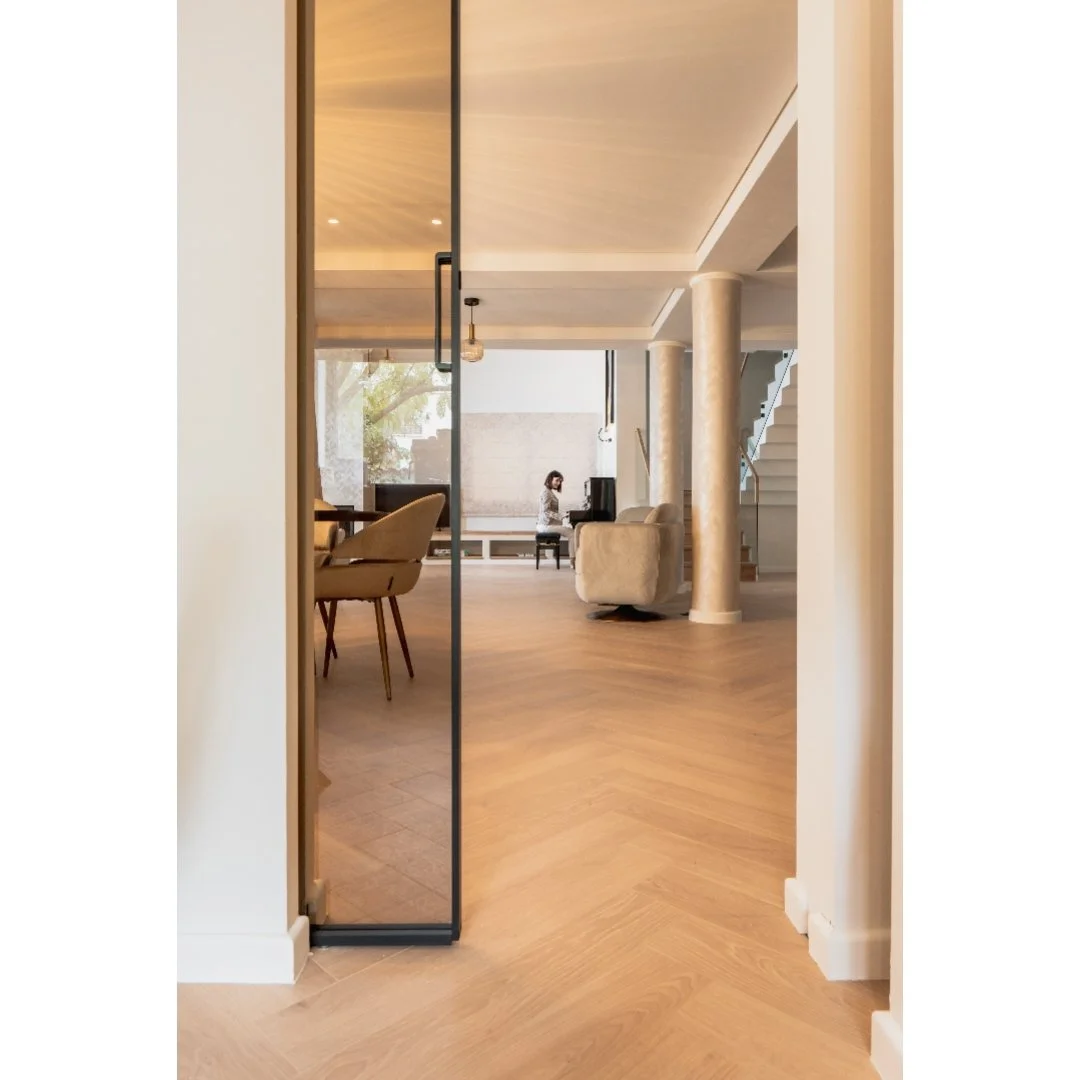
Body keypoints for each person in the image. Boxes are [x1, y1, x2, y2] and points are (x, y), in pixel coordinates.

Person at [537, 469, 576, 567]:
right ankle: (573, 561)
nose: (558, 483)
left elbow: (551, 511)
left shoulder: (548, 492)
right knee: (572, 533)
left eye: (560, 481)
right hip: (545, 526)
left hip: (548, 524)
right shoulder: (546, 493)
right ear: (550, 479)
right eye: (557, 480)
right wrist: (562, 516)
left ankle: (574, 559)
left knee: (571, 531)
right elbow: (546, 511)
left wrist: (564, 516)